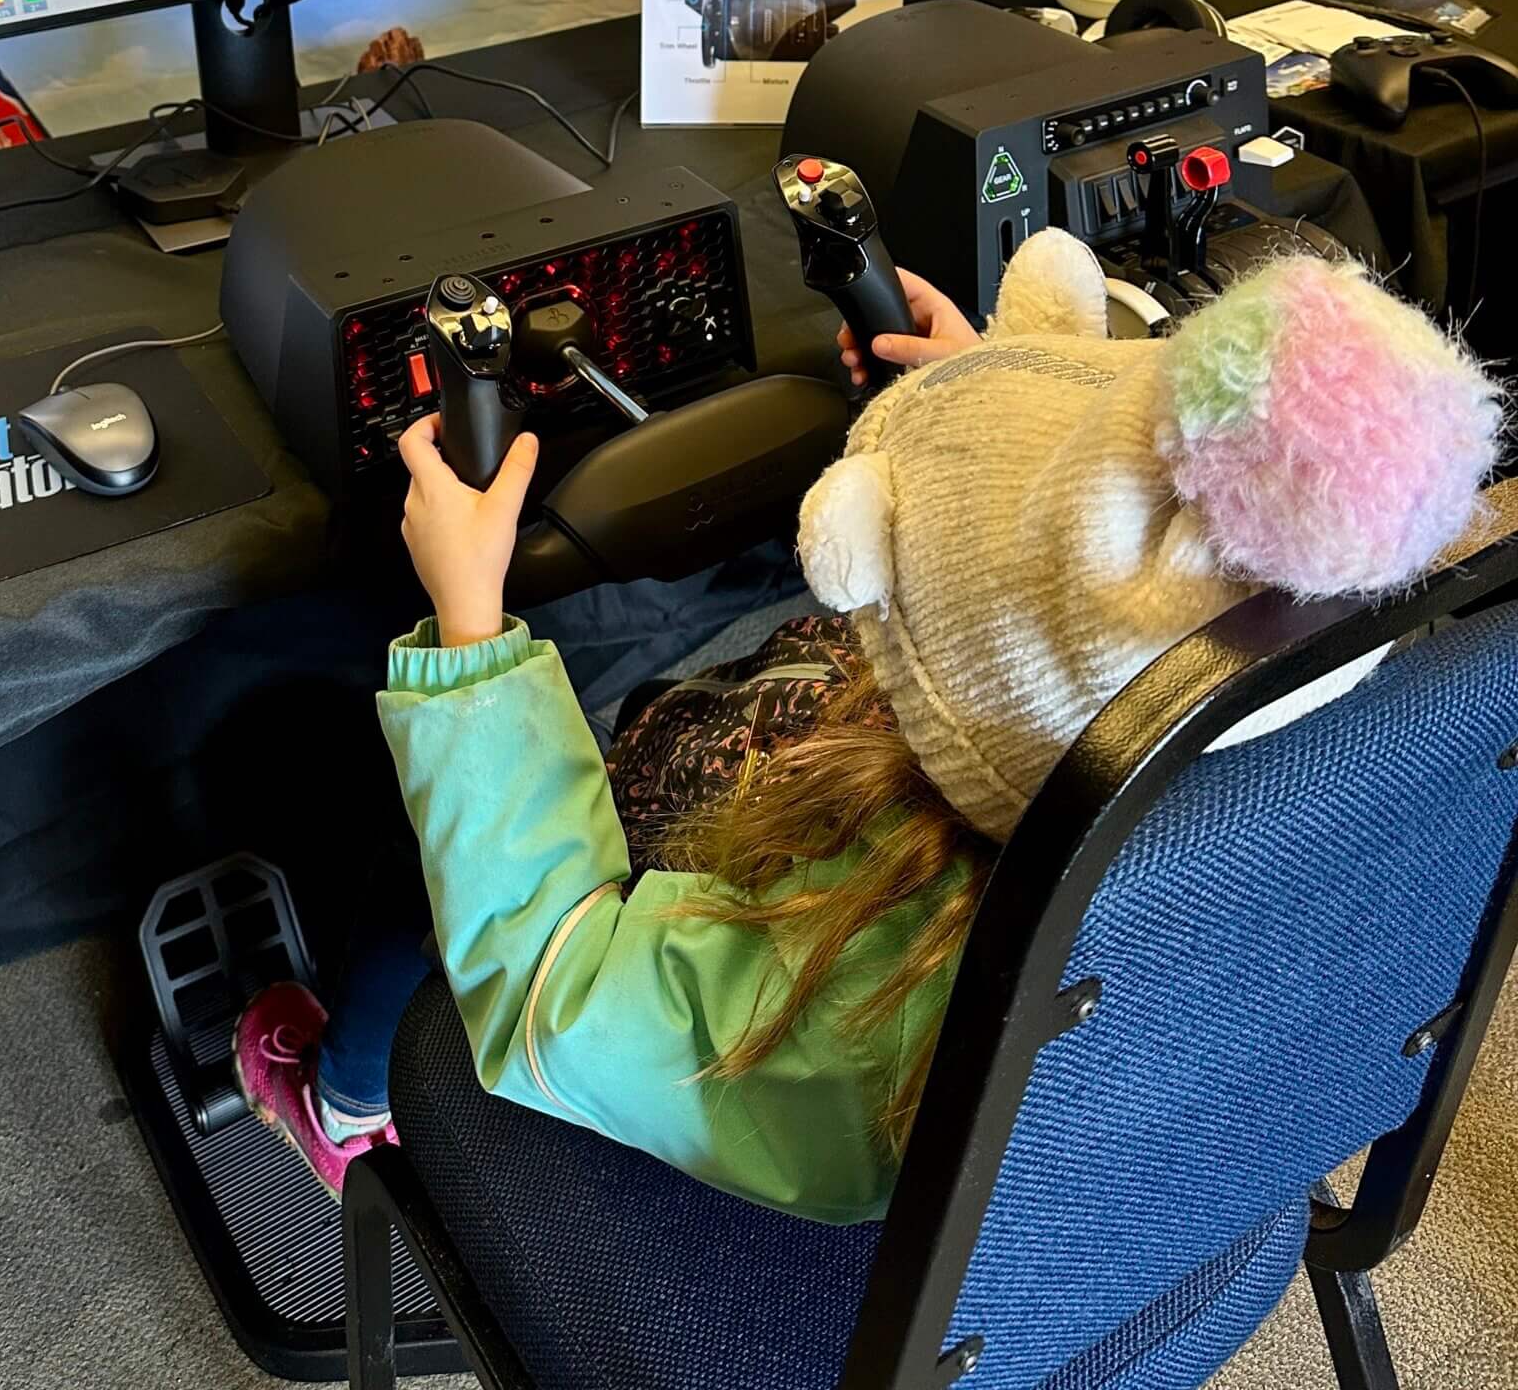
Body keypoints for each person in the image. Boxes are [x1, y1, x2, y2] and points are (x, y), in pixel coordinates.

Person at [237, 231, 1498, 1220]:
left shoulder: (862, 999)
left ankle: (347, 1106)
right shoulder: (1369, 766)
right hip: (1170, 1201)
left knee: (454, 840)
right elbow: (1115, 615)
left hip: (858, 1188)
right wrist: (990, 412)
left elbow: (554, 983)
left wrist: (471, 630)